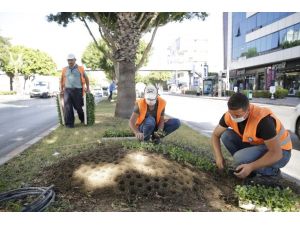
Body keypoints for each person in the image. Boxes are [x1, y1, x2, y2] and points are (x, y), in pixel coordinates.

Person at [211, 92, 291, 180]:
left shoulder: (263, 120)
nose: (234, 117)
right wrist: (219, 157)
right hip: (260, 145)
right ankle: (246, 167)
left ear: (248, 110)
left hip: (282, 152)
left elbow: (276, 154)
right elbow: (215, 135)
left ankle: (271, 172)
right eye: (231, 114)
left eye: (238, 115)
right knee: (226, 135)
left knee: (239, 157)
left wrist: (251, 166)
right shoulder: (228, 116)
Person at [60, 53, 90, 128]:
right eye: (68, 60)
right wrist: (61, 89)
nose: (70, 62)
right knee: (68, 107)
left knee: (78, 107)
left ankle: (82, 118)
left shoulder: (80, 68)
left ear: (75, 60)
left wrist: (88, 88)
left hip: (78, 90)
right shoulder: (64, 69)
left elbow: (86, 78)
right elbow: (61, 80)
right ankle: (69, 124)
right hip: (67, 90)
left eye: (71, 60)